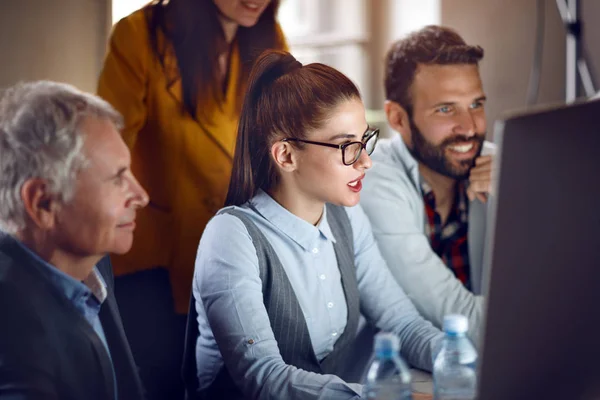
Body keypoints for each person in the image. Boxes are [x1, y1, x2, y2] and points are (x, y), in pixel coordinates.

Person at [187, 49, 444, 400]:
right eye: (347, 147)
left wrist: (463, 361)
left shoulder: (347, 216)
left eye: (365, 140)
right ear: (286, 156)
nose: (366, 161)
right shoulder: (231, 237)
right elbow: (263, 378)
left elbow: (402, 321)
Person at [97, 1, 287, 397]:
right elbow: (106, 149)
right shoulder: (141, 37)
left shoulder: (270, 40)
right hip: (156, 262)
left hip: (240, 249)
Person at [0, 81, 148, 400]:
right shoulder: (12, 334)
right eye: (117, 179)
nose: (141, 196)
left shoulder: (92, 257)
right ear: (43, 203)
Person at [360, 25, 494, 344]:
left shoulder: (497, 167)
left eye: (476, 104)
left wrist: (521, 193)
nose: (469, 128)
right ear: (397, 119)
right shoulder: (375, 180)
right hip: (394, 375)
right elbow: (459, 319)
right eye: (445, 109)